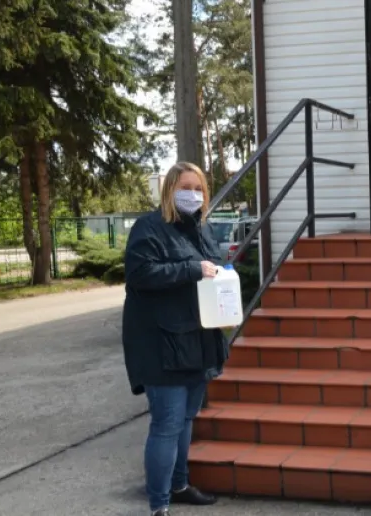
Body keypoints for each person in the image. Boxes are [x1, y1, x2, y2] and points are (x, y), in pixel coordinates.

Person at [122, 161, 227, 516]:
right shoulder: (149, 228)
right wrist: (192, 269)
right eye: (186, 187)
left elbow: (213, 265)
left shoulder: (201, 229)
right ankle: (159, 505)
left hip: (197, 339)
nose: (193, 195)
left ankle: (179, 485)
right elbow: (140, 274)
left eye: (199, 189)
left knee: (185, 420)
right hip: (160, 343)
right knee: (167, 424)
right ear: (170, 190)